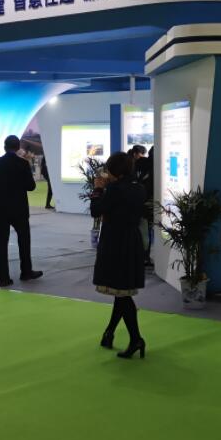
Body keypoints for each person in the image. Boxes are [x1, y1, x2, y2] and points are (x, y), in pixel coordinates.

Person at [91, 152, 149, 359]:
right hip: (132, 241)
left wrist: (98, 189)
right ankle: (110, 333)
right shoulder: (139, 188)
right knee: (121, 291)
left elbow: (95, 210)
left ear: (114, 170)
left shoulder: (114, 189)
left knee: (122, 294)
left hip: (115, 242)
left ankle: (136, 339)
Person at [0, 135, 42, 288]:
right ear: (18, 148)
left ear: (4, 147)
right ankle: (26, 271)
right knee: (24, 241)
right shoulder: (23, 163)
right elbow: (31, 186)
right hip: (19, 209)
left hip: (1, 209)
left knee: (1, 244)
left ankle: (3, 278)